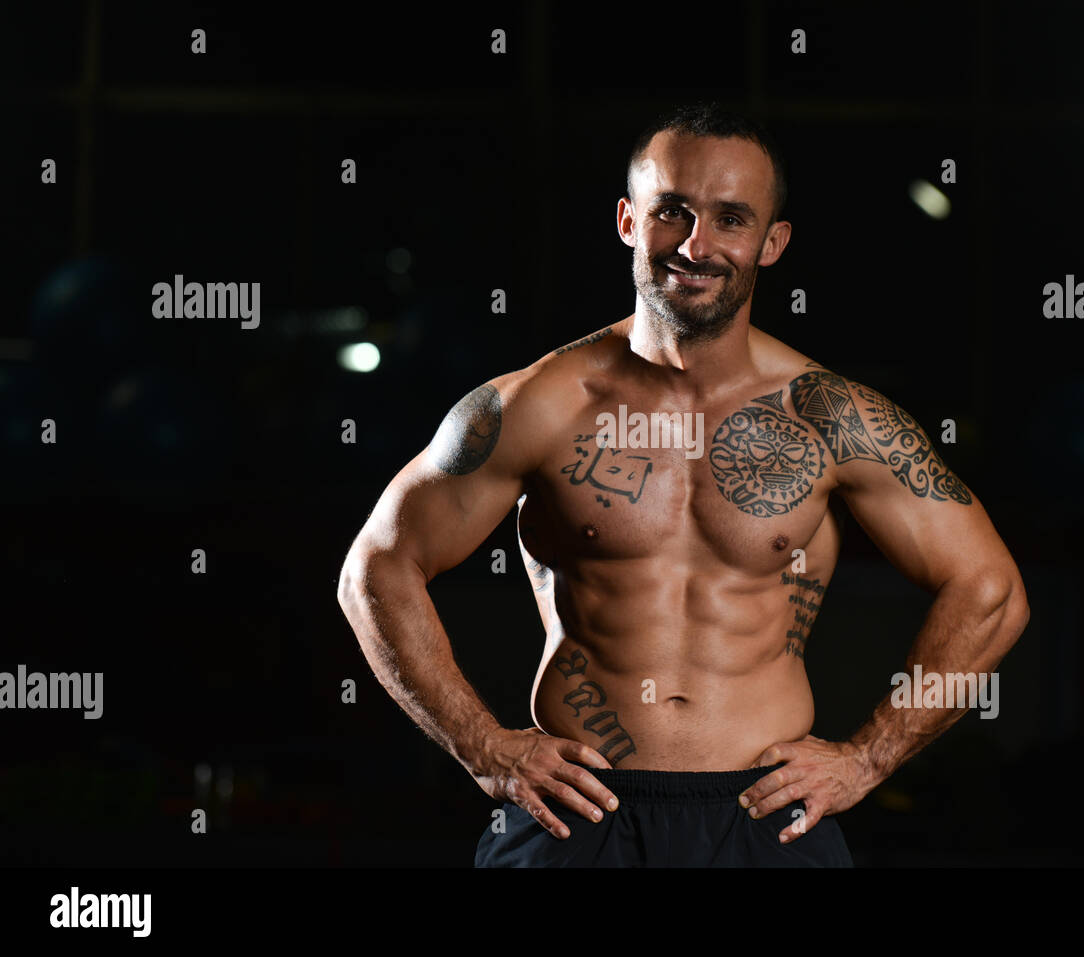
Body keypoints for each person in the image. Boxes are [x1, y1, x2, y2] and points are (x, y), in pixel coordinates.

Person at [337, 101, 1030, 867]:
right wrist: (484, 747)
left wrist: (867, 758)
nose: (697, 244)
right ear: (629, 221)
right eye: (673, 211)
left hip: (763, 817)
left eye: (731, 218)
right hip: (578, 814)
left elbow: (989, 587)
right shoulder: (537, 405)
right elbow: (375, 568)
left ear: (773, 243)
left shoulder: (830, 416)